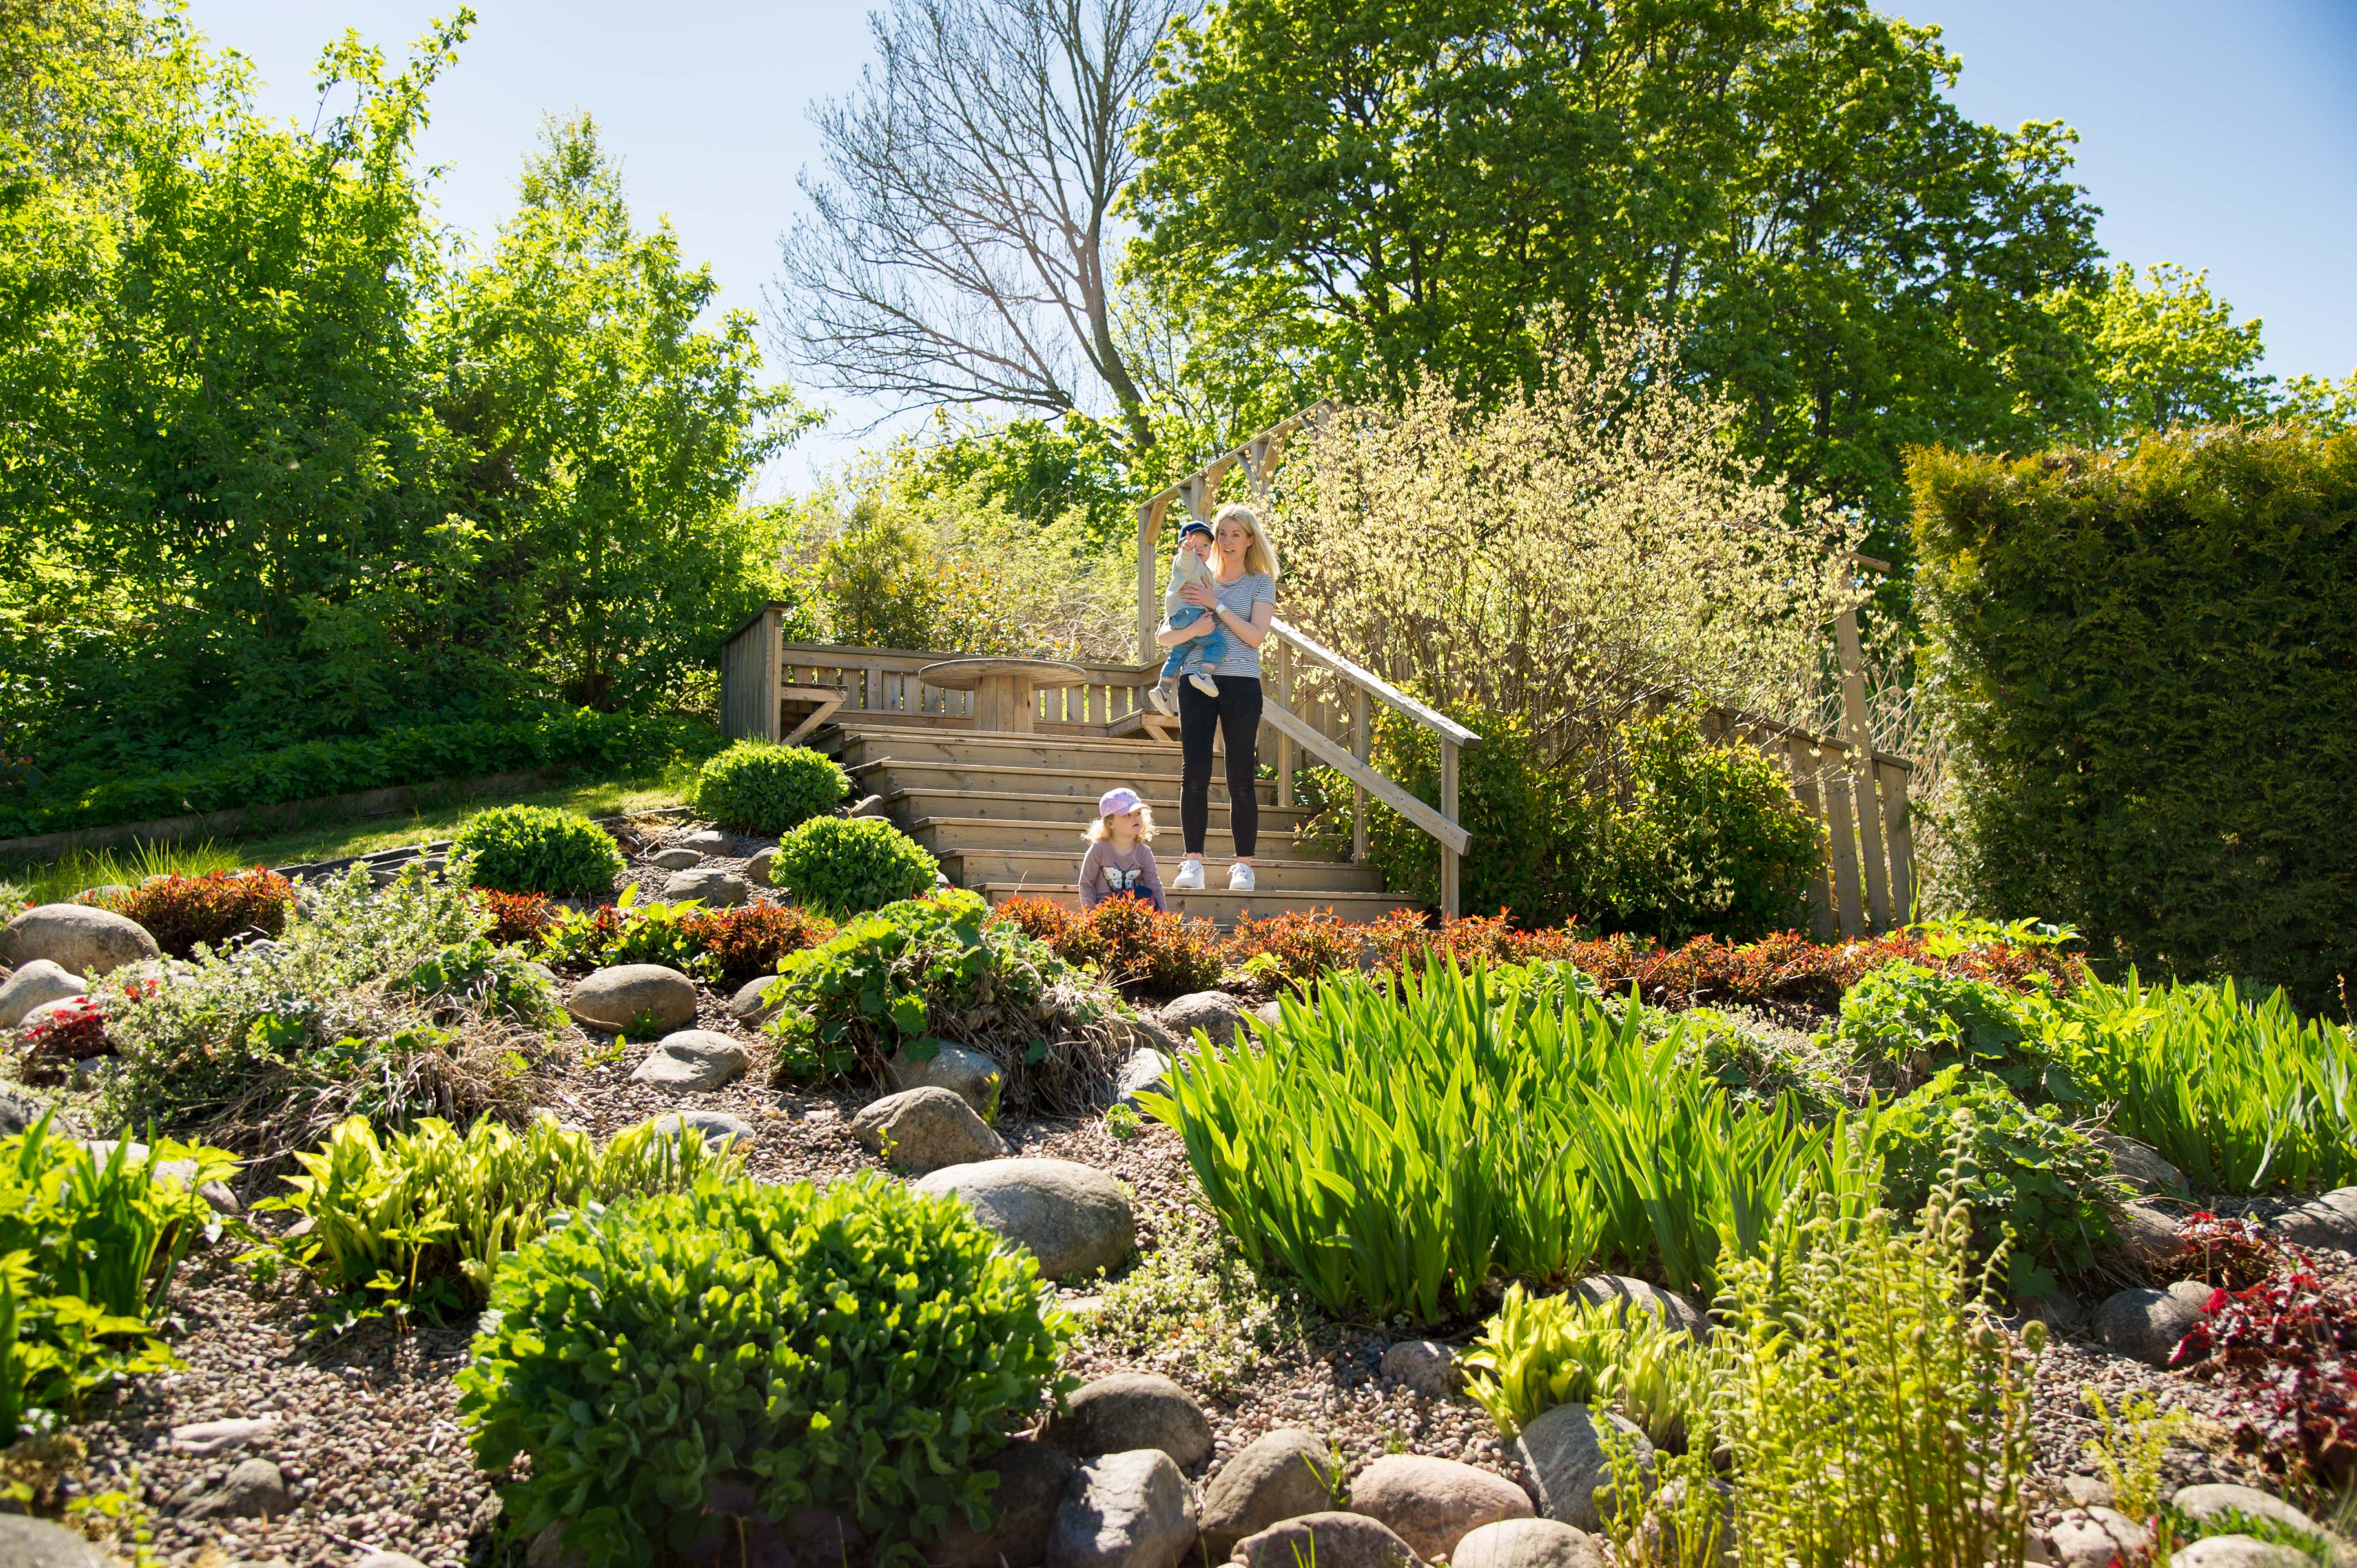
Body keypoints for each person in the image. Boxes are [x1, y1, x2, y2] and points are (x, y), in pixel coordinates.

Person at [1155, 501, 1278, 894]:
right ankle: (1193, 863)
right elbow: (1164, 635)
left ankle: (1243, 866)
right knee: (1195, 772)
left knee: (1240, 775)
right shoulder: (1196, 574)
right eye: (1221, 533)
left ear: (1249, 540)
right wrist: (1192, 633)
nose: (1226, 542)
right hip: (1196, 683)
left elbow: (1255, 637)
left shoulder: (1261, 583)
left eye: (1234, 535)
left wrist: (1217, 605)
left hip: (1241, 685)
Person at [1150, 520, 1227, 714]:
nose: (1199, 549)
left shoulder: (1201, 568)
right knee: (1218, 644)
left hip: (1181, 618)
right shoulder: (1189, 562)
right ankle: (1204, 674)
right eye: (1194, 544)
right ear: (1184, 545)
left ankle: (1163, 689)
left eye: (1205, 545)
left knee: (1179, 653)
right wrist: (1187, 551)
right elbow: (1185, 561)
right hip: (1192, 613)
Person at [1078, 786, 1165, 911]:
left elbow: (1155, 886)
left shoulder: (1144, 852)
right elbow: (1086, 885)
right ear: (1110, 824)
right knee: (1142, 892)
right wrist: (1091, 916)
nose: (1136, 818)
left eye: (1138, 813)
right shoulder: (1099, 849)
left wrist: (1163, 919)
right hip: (1106, 910)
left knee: (1144, 893)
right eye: (1128, 815)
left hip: (1133, 910)